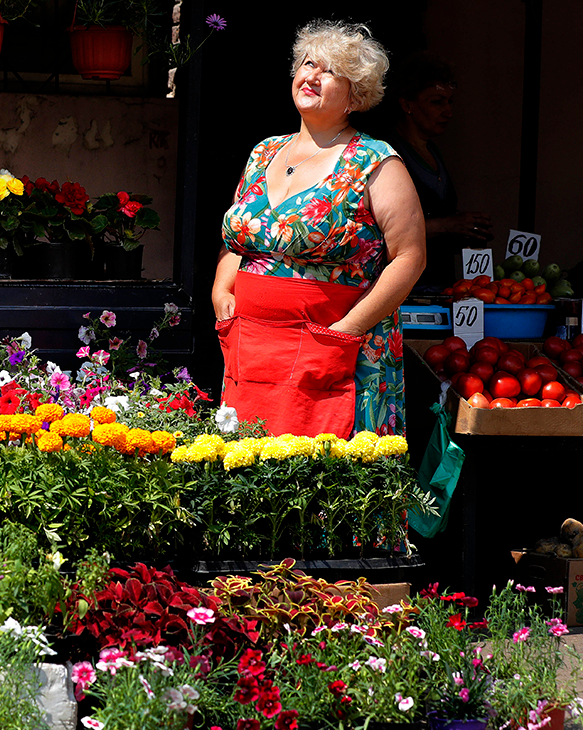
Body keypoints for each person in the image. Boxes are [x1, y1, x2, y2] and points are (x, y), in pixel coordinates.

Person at [211, 20, 426, 438]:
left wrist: (346, 330)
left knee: (330, 483)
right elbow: (240, 240)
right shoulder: (263, 152)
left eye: (329, 71)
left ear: (355, 95)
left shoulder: (375, 160)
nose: (311, 76)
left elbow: (410, 258)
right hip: (254, 347)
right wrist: (221, 292)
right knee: (250, 475)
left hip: (339, 349)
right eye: (308, 64)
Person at [384, 52, 492, 288]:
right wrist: (449, 225)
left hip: (440, 283)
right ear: (407, 105)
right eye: (436, 102)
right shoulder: (386, 153)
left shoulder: (432, 151)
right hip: (403, 288)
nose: (448, 112)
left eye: (449, 102)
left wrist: (465, 229)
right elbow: (381, 231)